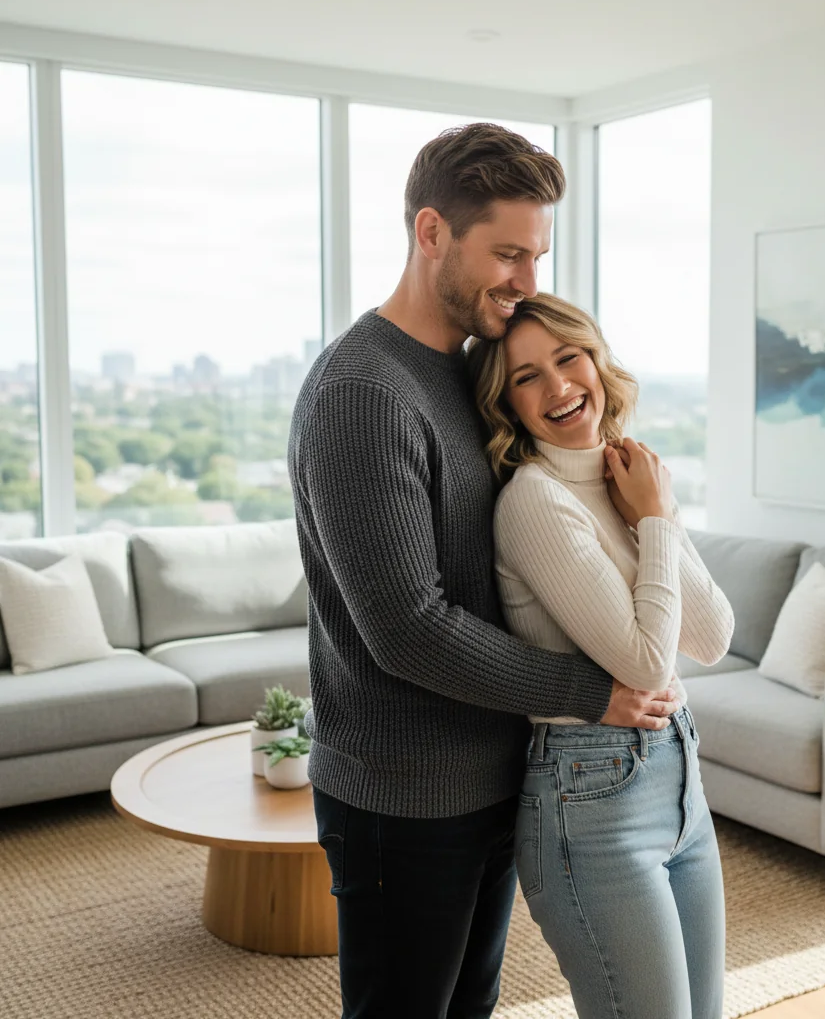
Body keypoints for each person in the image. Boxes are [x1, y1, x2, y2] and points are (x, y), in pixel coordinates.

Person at [287, 123, 680, 1019]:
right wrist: (593, 691)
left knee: (473, 1007)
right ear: (432, 233)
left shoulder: (471, 369)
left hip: (501, 766)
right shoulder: (363, 393)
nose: (526, 283)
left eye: (535, 257)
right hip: (405, 794)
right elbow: (408, 628)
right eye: (507, 254)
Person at [465, 293, 735, 1018]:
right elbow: (650, 663)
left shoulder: (628, 478)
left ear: (596, 361)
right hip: (591, 805)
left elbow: (711, 637)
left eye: (567, 357)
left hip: (682, 787)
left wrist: (659, 513)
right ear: (507, 402)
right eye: (526, 377)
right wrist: (652, 518)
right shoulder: (534, 501)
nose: (557, 386)